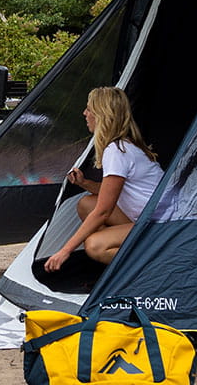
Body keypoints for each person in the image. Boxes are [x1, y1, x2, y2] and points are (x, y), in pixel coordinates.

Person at [43, 86, 161, 272]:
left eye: (89, 109)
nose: (84, 113)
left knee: (95, 245)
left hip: (161, 226)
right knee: (86, 204)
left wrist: (64, 251)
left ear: (101, 115)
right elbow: (111, 194)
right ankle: (123, 261)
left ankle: (155, 268)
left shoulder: (117, 151)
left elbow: (103, 211)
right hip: (146, 219)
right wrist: (84, 184)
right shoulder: (124, 145)